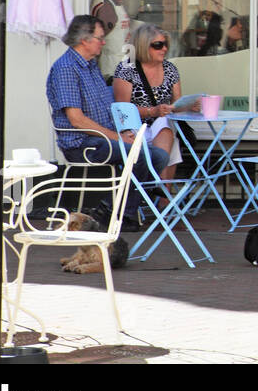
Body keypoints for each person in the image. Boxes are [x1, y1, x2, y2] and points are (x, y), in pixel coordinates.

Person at [47, 15, 168, 230]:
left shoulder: (90, 65)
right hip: (82, 143)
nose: (104, 42)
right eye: (100, 38)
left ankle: (115, 210)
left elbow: (108, 108)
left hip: (105, 138)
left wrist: (126, 131)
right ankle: (118, 213)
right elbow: (76, 120)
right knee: (140, 155)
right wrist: (118, 138)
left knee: (158, 156)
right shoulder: (66, 68)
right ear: (84, 40)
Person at [112, 22, 183, 180]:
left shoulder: (170, 69)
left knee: (165, 124)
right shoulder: (127, 69)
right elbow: (122, 111)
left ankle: (161, 196)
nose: (164, 49)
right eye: (158, 45)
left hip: (161, 126)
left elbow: (177, 103)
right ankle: (159, 189)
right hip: (134, 129)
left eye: (165, 44)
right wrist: (153, 111)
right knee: (174, 144)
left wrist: (189, 105)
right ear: (143, 46)